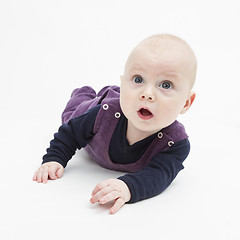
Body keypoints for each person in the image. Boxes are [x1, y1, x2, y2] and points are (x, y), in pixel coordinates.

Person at [33, 34, 197, 214]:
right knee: (71, 115)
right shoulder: (104, 113)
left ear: (186, 103)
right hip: (96, 108)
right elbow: (70, 133)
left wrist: (128, 187)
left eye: (165, 85)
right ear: (123, 83)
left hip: (117, 103)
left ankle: (103, 92)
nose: (147, 93)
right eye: (138, 79)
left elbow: (159, 175)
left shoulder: (175, 144)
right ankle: (83, 92)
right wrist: (54, 159)